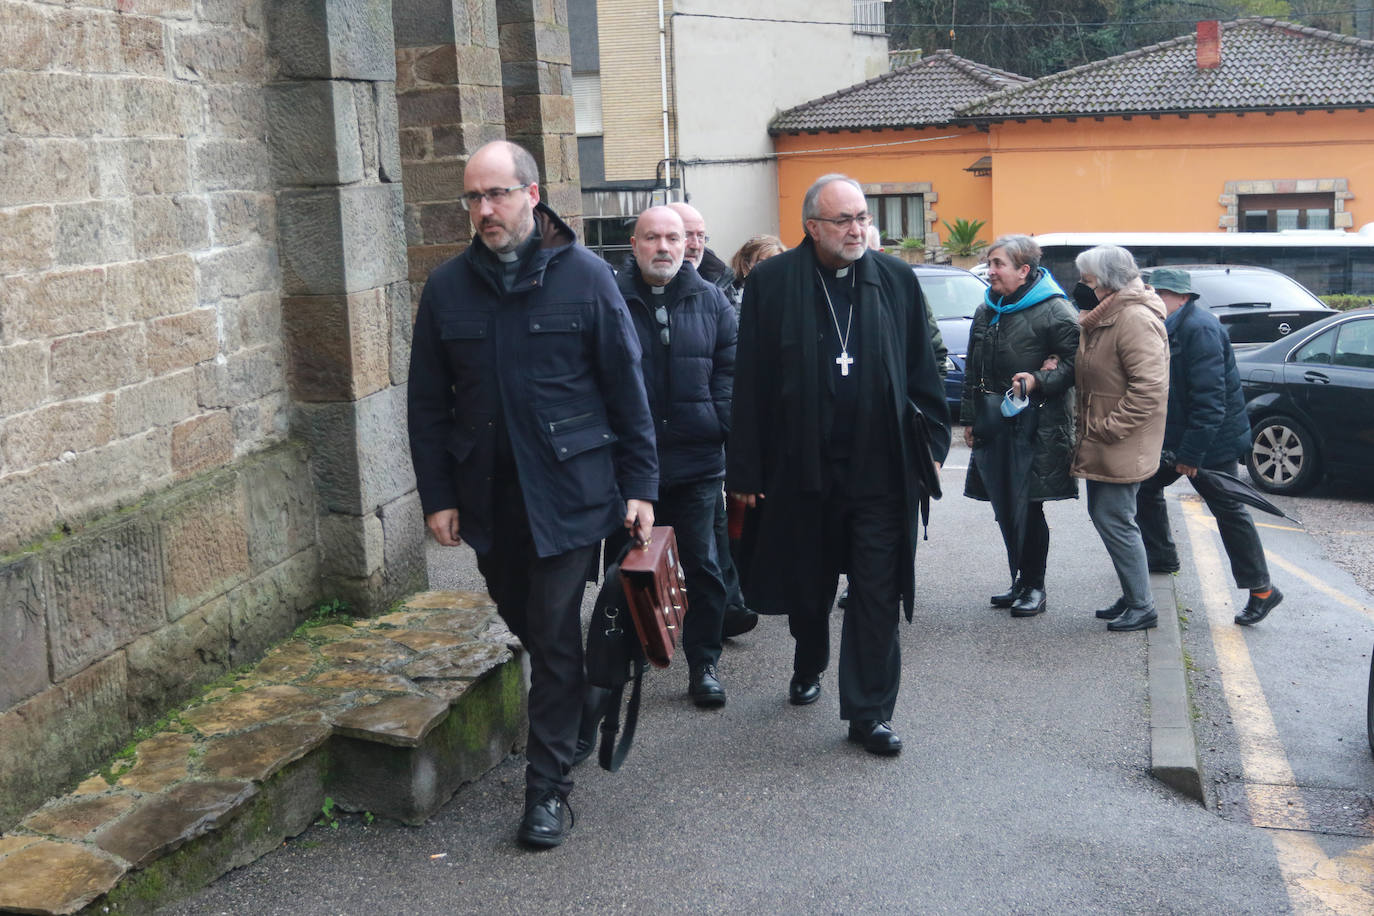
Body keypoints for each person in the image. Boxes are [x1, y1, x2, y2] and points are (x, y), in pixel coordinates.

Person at [407, 141, 658, 848]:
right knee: (529, 625)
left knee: (550, 635)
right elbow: (428, 403)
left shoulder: (586, 278)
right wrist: (439, 495)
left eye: (497, 194)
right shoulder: (448, 288)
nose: (484, 210)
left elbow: (625, 388)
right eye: (473, 198)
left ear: (531, 193)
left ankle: (546, 792)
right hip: (490, 500)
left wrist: (640, 486)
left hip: (573, 495)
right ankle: (576, 703)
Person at [728, 174, 951, 756]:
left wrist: (931, 442)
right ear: (812, 228)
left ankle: (869, 711)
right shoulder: (772, 283)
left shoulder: (896, 280)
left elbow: (922, 372)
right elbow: (749, 383)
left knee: (877, 591)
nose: (858, 230)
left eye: (863, 218)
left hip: (881, 474)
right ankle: (809, 657)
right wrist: (745, 473)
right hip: (802, 472)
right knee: (809, 588)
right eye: (844, 221)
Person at [611, 205, 737, 704]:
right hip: (630, 465)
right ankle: (627, 651)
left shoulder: (711, 300)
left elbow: (730, 371)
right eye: (652, 238)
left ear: (687, 244)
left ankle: (703, 662)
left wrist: (719, 424)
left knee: (703, 564)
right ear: (635, 245)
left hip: (697, 459)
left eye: (673, 237)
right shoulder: (612, 300)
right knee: (629, 562)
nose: (663, 247)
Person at [1135, 268, 1283, 626]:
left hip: (1209, 442)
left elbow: (1210, 400)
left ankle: (1262, 590)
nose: (1153, 298)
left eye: (1161, 294)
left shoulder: (1198, 329)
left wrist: (1190, 456)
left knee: (1229, 511)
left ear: (1182, 298)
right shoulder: (1171, 325)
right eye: (1151, 291)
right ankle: (1161, 556)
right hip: (1182, 438)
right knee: (1143, 488)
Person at [960, 235, 1080, 617]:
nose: (990, 271)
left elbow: (1077, 364)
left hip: (1037, 426)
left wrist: (1037, 380)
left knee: (1029, 507)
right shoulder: (987, 309)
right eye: (990, 263)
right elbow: (973, 371)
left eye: (998, 264)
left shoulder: (1056, 310)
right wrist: (970, 418)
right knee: (1004, 503)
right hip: (996, 422)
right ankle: (1019, 580)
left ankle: (1035, 587)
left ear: (1024, 270)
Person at [667, 201, 756, 639]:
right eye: (687, 234)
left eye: (700, 233)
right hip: (669, 438)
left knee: (713, 527)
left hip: (708, 431)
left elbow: (730, 361)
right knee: (696, 533)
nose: (695, 243)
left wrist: (722, 419)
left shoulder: (719, 280)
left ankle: (727, 608)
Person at [1070, 245, 1169, 632]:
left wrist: (1107, 429)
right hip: (1107, 439)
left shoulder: (1133, 319)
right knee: (1110, 517)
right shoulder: (1108, 315)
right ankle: (1134, 595)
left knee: (1115, 519)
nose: (1082, 286)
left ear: (1108, 282)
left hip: (1119, 440)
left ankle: (1142, 605)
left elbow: (1149, 389)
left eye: (1088, 279)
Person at [726, 234, 786, 307]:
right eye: (764, 264)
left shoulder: (792, 294)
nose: (773, 269)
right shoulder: (729, 298)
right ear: (745, 266)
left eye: (778, 264)